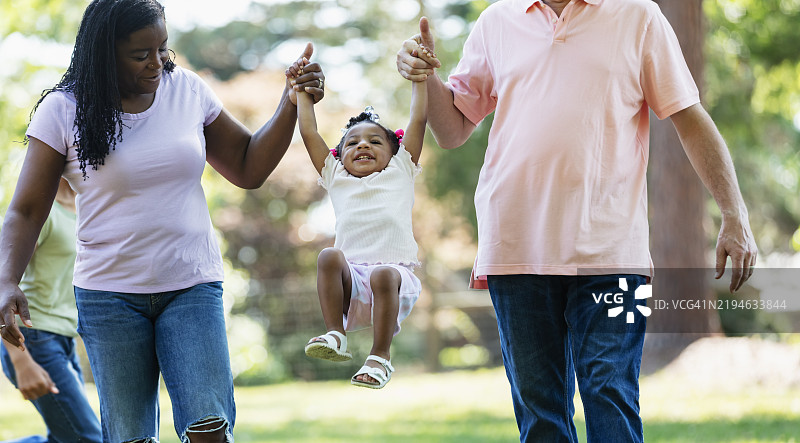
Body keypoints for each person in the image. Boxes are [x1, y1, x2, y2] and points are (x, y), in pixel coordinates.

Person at [396, 2, 757, 442]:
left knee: (611, 391)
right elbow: (451, 130)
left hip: (614, 254)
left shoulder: (638, 15)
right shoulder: (496, 21)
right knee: (540, 411)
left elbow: (690, 117)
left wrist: (734, 214)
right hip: (515, 249)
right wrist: (426, 76)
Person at [0, 0, 324, 441]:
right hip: (108, 296)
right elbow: (26, 209)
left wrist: (290, 103)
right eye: (140, 55)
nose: (157, 63)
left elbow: (248, 168)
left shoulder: (186, 90)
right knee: (130, 435)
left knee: (208, 427)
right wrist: (6, 280)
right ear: (104, 54)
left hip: (191, 284)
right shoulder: (63, 110)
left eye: (162, 49)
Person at [285, 51, 430, 389]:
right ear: (339, 155)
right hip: (354, 284)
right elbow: (309, 133)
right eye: (352, 142)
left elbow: (419, 119)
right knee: (328, 256)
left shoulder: (400, 169)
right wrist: (302, 94)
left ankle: (380, 357)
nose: (362, 144)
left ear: (394, 151)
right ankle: (336, 333)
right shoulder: (336, 176)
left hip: (395, 280)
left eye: (375, 140)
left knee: (382, 273)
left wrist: (419, 79)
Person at [1, 178, 102, 443]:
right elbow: (1, 287)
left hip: (64, 340)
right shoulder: (43, 211)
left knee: (64, 438)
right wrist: (21, 361)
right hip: (33, 339)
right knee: (89, 439)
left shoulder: (88, 206)